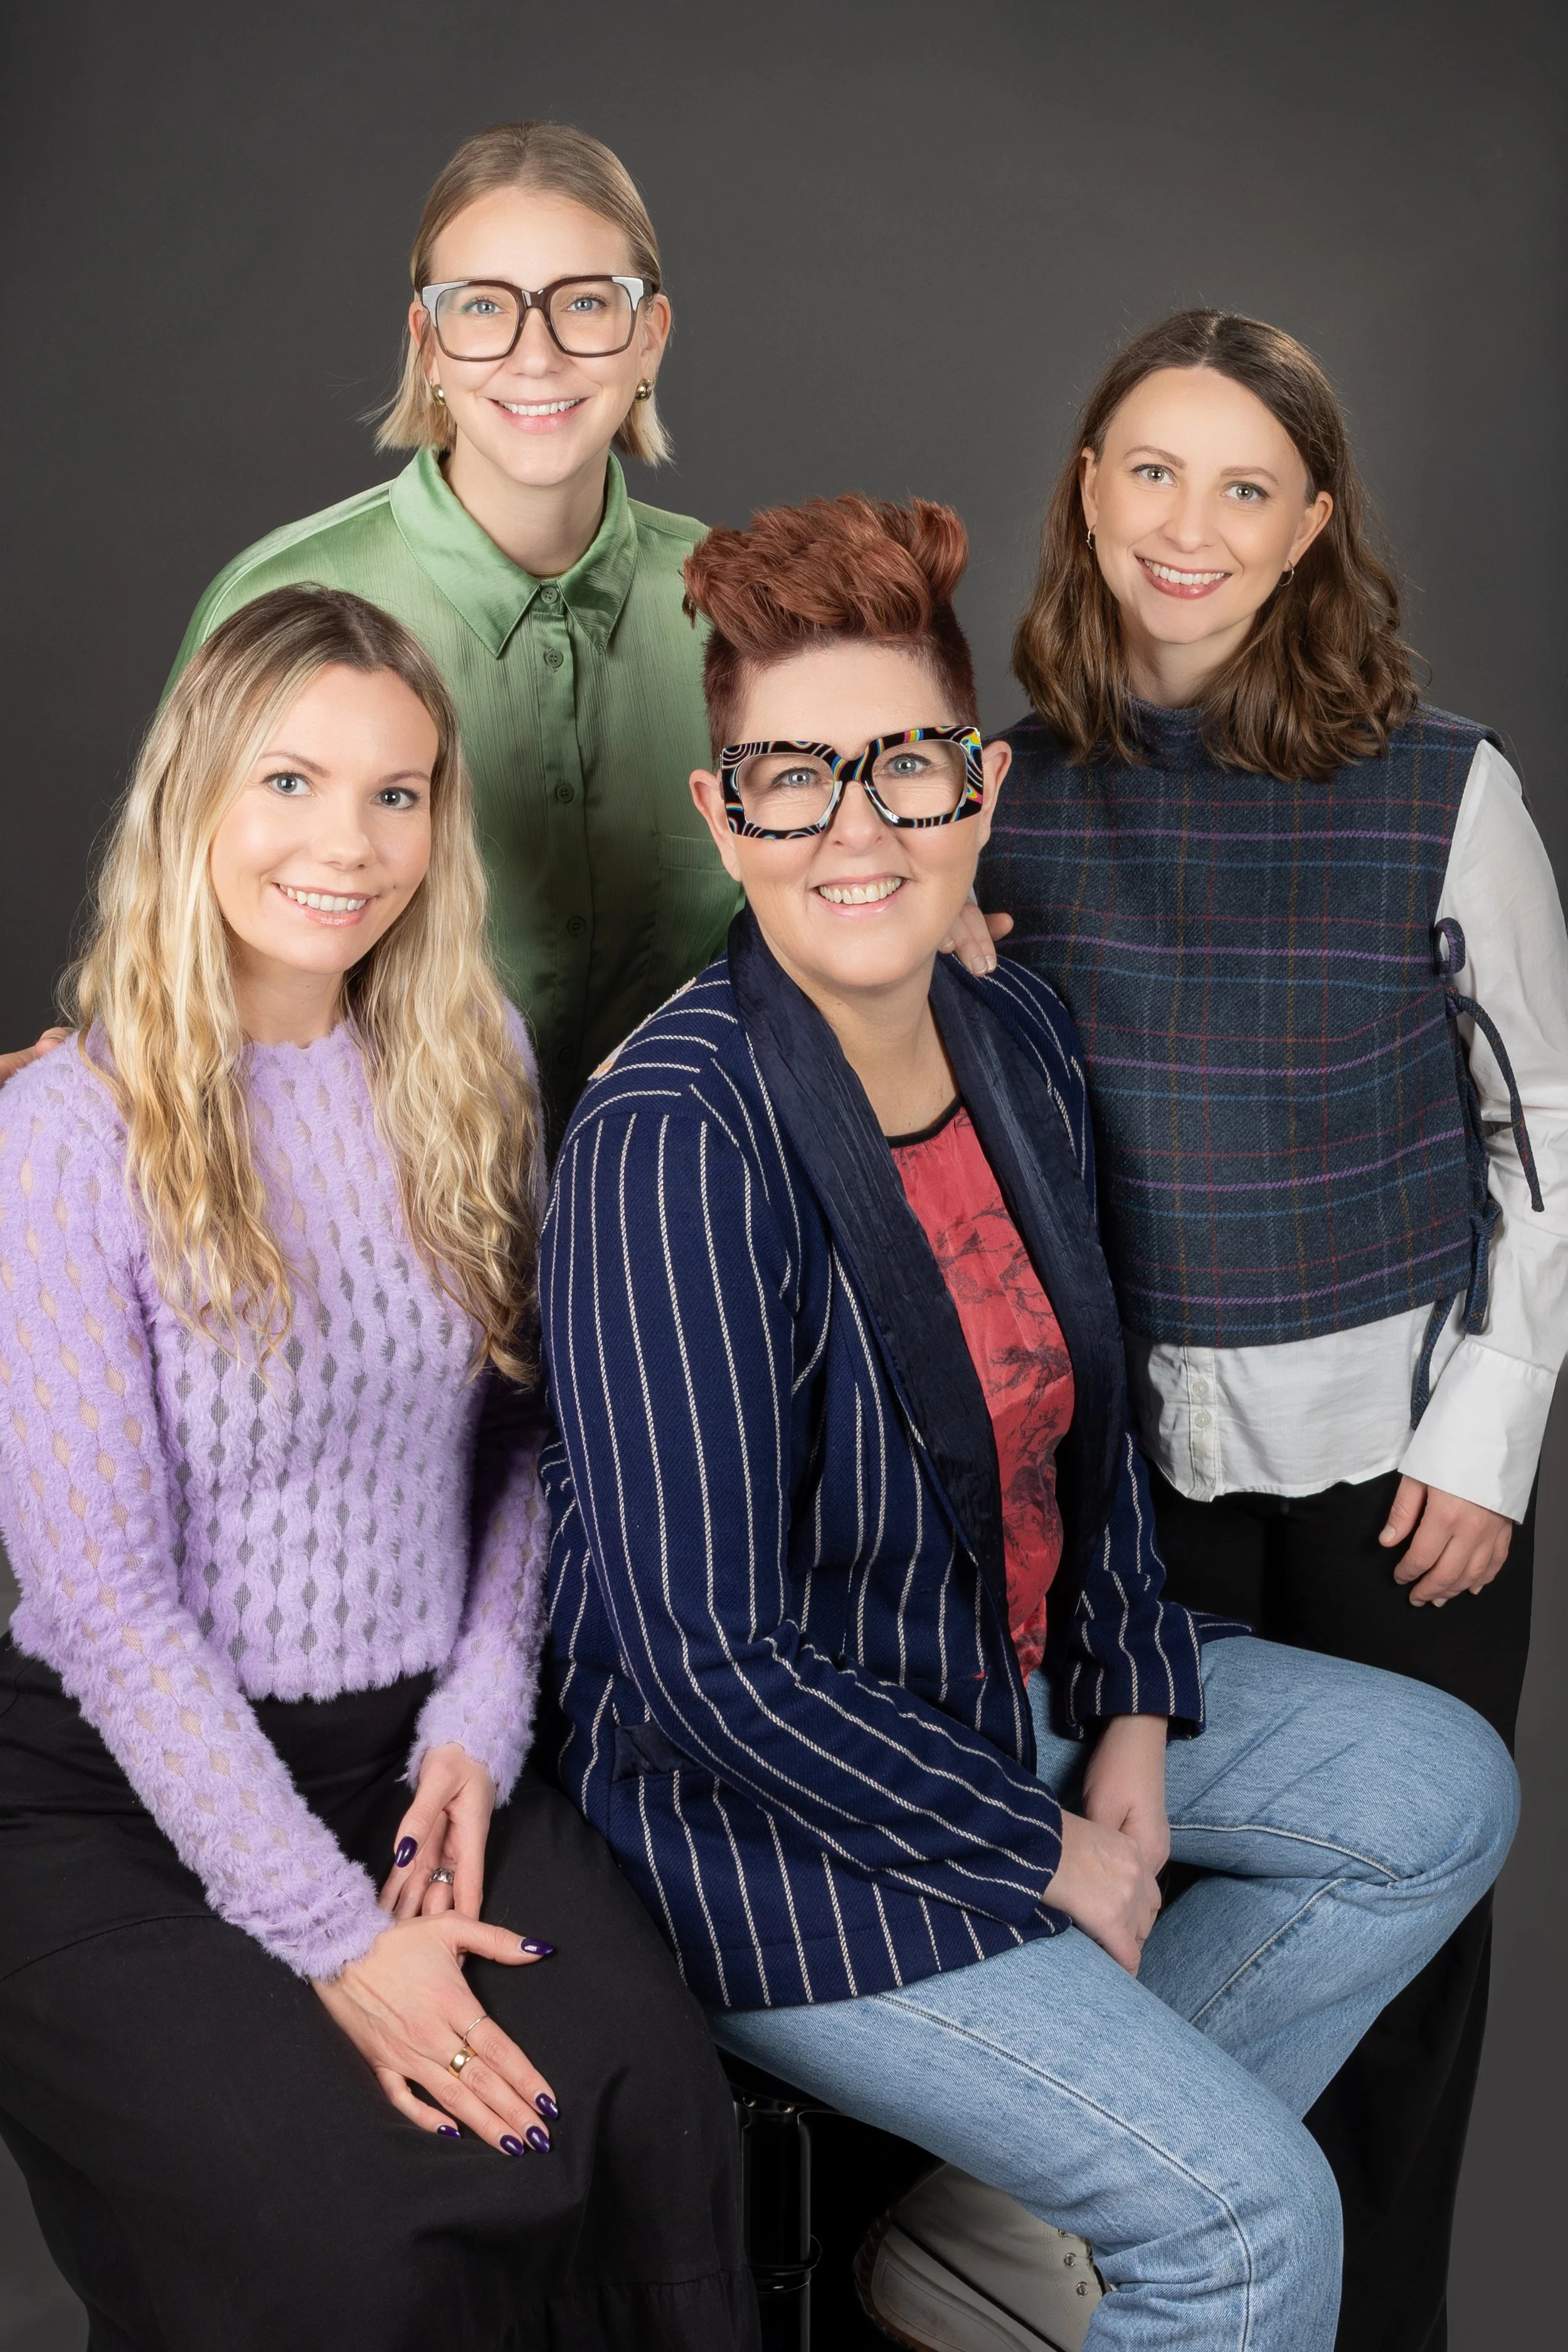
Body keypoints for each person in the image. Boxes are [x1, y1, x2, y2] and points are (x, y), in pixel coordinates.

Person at [534, 491, 1519, 2350]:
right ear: (719, 813)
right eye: (788, 778)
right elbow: (697, 1665)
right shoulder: (673, 1137)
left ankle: (998, 2228)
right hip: (773, 1818)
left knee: (1433, 1790)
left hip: (999, 1685)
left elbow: (1093, 1450)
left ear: (976, 786)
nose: (852, 829)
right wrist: (1042, 1845)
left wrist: (1133, 1727)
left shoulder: (1017, 1040)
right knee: (1246, 2226)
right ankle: (1162, 2228)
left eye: (901, 767)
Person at [0, 586, 754, 2351]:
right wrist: (340, 1943)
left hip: (416, 1760)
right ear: (193, 794)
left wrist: (482, 1719)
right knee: (382, 2227)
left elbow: (521, 1439)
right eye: (289, 781)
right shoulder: (59, 1140)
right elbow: (107, 1611)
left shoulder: (466, 1056)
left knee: (652, 2114)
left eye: (397, 793)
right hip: (117, 1804)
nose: (346, 843)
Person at [974, 307, 1568, 2352]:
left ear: (1310, 525)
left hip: (1399, 1469)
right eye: (1151, 469)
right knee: (1119, 1936)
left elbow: (1539, 1127)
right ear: (1086, 486)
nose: (1189, 524)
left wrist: (1486, 1431)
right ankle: (1142, 2294)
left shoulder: (1438, 787)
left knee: (1401, 1962)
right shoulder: (998, 800)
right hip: (1127, 1489)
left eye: (1244, 486)